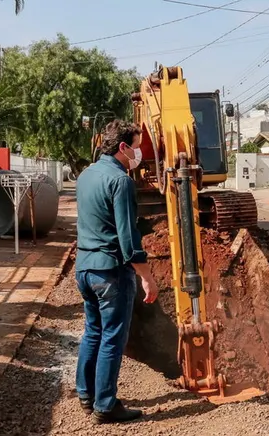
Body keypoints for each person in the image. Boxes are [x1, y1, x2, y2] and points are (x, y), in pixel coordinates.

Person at [74, 119, 159, 424]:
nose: (138, 153)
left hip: (85, 268)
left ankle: (86, 395)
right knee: (112, 337)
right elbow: (128, 239)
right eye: (136, 146)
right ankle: (106, 406)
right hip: (110, 272)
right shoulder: (120, 181)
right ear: (123, 147)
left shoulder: (86, 175)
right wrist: (147, 277)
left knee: (93, 331)